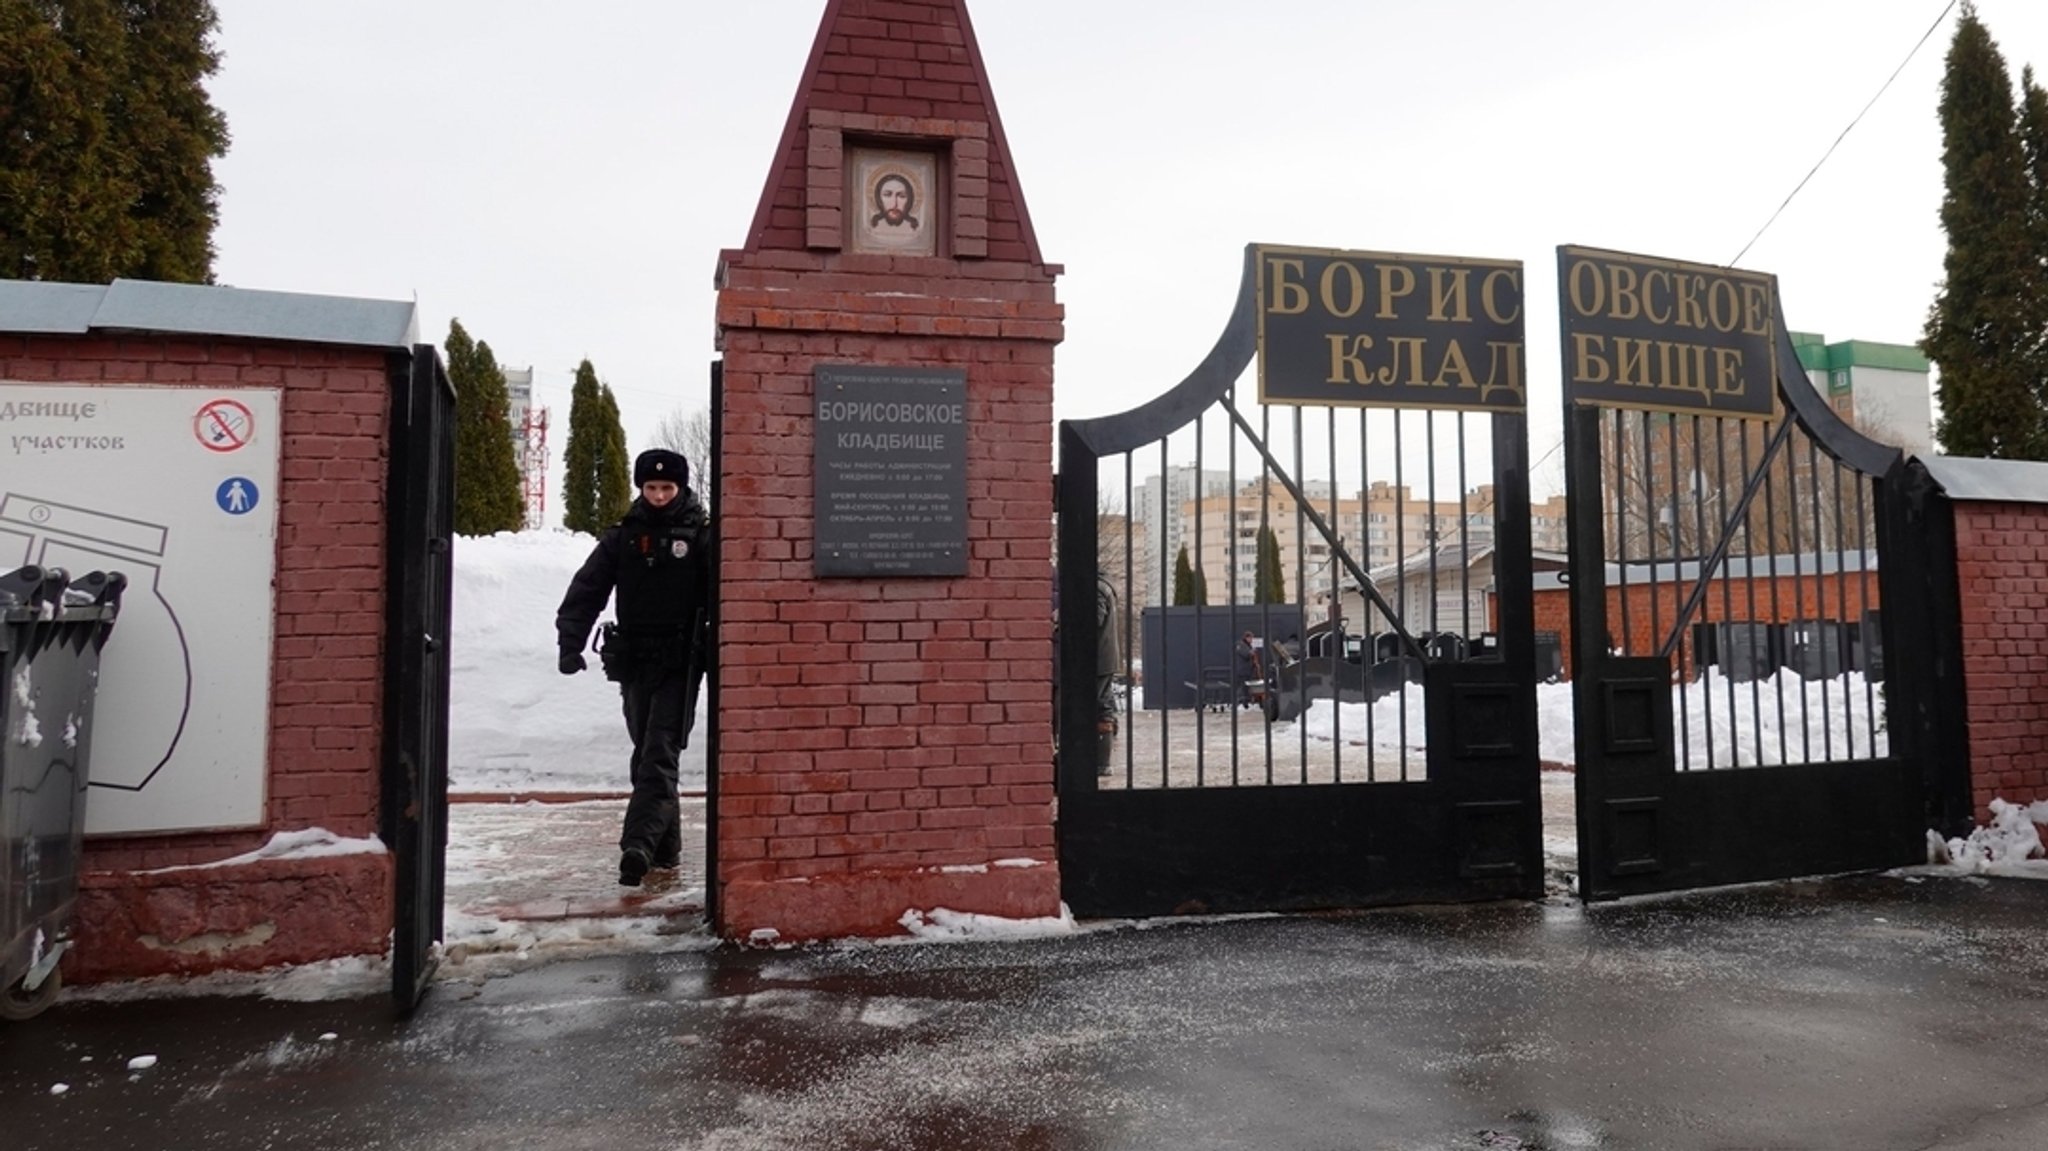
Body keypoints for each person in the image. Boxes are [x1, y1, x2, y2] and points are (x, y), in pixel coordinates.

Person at [555, 448, 714, 886]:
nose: (659, 495)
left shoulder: (700, 536)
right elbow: (587, 589)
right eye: (651, 487)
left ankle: (637, 847)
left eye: (667, 488)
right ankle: (666, 851)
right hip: (634, 660)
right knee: (646, 752)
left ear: (680, 488)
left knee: (659, 752)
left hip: (681, 661)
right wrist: (571, 643)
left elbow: (726, 597)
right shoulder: (623, 537)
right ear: (641, 488)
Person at [1235, 629, 1263, 708]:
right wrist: (1251, 652)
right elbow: (1246, 654)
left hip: (1248, 670)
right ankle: (1241, 702)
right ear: (1246, 638)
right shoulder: (1241, 645)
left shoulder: (1248, 645)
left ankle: (1248, 701)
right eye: (1250, 638)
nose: (1251, 640)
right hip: (1243, 670)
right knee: (1243, 686)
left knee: (1247, 687)